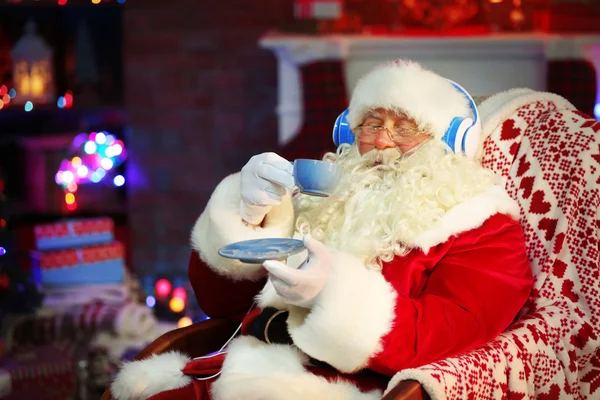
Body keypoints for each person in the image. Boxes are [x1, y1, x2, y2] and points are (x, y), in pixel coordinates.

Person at [112, 60, 533, 400]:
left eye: (404, 128)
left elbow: (449, 334)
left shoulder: (484, 229)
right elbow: (220, 301)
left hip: (341, 386)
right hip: (237, 366)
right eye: (370, 124)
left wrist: (331, 297)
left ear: (448, 142)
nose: (381, 141)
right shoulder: (322, 198)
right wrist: (249, 215)